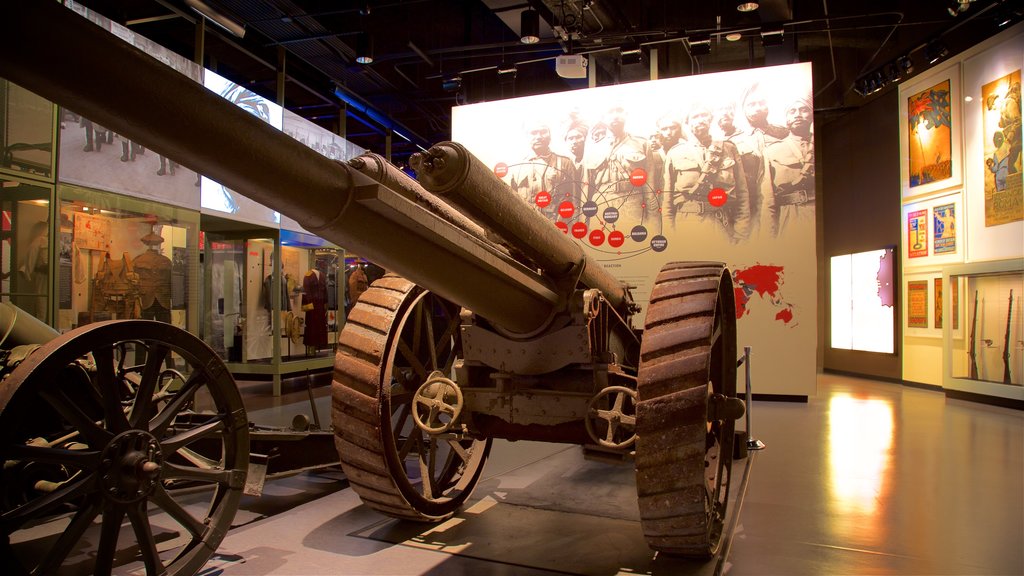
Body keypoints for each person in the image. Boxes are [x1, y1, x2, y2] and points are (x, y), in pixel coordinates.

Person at [664, 103, 750, 243]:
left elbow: (742, 195)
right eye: (695, 116)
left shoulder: (728, 149)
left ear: (711, 119)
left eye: (704, 115)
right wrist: (671, 236)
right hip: (686, 225)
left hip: (721, 224)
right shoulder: (675, 153)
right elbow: (666, 200)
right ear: (687, 122)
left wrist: (741, 233)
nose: (700, 119)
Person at [585, 105, 660, 235]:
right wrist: (584, 223)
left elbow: (650, 187)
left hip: (632, 204)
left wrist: (654, 224)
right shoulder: (593, 149)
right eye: (610, 111)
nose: (615, 115)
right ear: (603, 118)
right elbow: (585, 189)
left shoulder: (642, 144)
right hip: (602, 204)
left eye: (619, 111)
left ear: (626, 114)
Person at [732, 83, 789, 237]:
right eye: (751, 104)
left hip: (784, 208)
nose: (757, 107)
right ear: (743, 108)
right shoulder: (733, 142)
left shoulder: (783, 134)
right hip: (750, 210)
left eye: (761, 103)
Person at [765, 95, 815, 237]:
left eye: (804, 110)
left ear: (811, 115)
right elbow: (768, 200)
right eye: (792, 111)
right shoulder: (772, 151)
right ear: (786, 119)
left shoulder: (824, 144)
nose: (798, 115)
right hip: (790, 217)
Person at [507, 120, 577, 222]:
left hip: (557, 227)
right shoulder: (517, 166)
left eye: (543, 132)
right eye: (534, 133)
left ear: (550, 137)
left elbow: (575, 200)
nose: (539, 136)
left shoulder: (565, 163)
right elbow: (511, 202)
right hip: (525, 223)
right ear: (527, 137)